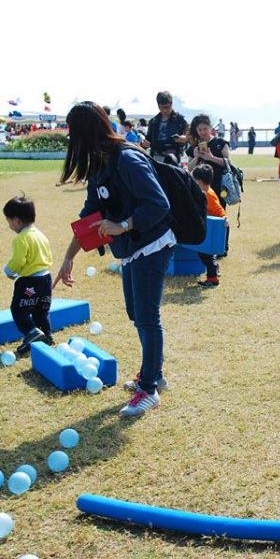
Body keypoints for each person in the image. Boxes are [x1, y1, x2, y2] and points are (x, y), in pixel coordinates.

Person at [53, 101, 175, 417]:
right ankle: (154, 375)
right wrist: (68, 258)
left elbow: (158, 204)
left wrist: (123, 225)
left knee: (147, 315)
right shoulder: (100, 165)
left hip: (153, 243)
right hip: (131, 249)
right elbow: (89, 217)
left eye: (73, 134)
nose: (71, 142)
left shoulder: (128, 159)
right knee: (136, 312)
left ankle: (149, 388)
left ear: (86, 133)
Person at [3, 194, 53, 355]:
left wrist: (9, 270)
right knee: (41, 311)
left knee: (19, 310)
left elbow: (18, 260)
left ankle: (33, 333)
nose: (9, 225)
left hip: (29, 281)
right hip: (46, 279)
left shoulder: (21, 239)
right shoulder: (40, 235)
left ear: (16, 221)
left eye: (8, 221)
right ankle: (47, 336)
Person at [186, 114, 231, 253]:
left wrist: (211, 158)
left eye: (205, 128)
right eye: (200, 130)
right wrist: (197, 156)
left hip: (219, 185)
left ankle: (222, 246)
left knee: (220, 214)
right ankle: (204, 245)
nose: (203, 132)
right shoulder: (194, 147)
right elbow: (189, 168)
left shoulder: (220, 143)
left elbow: (228, 162)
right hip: (200, 188)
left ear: (210, 128)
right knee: (201, 215)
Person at [192, 164, 227, 287]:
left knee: (205, 254)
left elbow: (219, 210)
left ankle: (213, 279)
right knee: (206, 253)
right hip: (208, 226)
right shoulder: (206, 191)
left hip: (213, 227)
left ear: (199, 181)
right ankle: (215, 269)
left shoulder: (208, 194)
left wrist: (224, 219)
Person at [143, 91, 188, 162]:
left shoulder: (180, 120)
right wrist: (144, 144)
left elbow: (189, 137)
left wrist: (184, 139)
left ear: (171, 104)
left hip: (173, 158)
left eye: (167, 107)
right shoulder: (153, 121)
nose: (165, 110)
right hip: (156, 156)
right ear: (158, 106)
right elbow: (148, 139)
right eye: (162, 107)